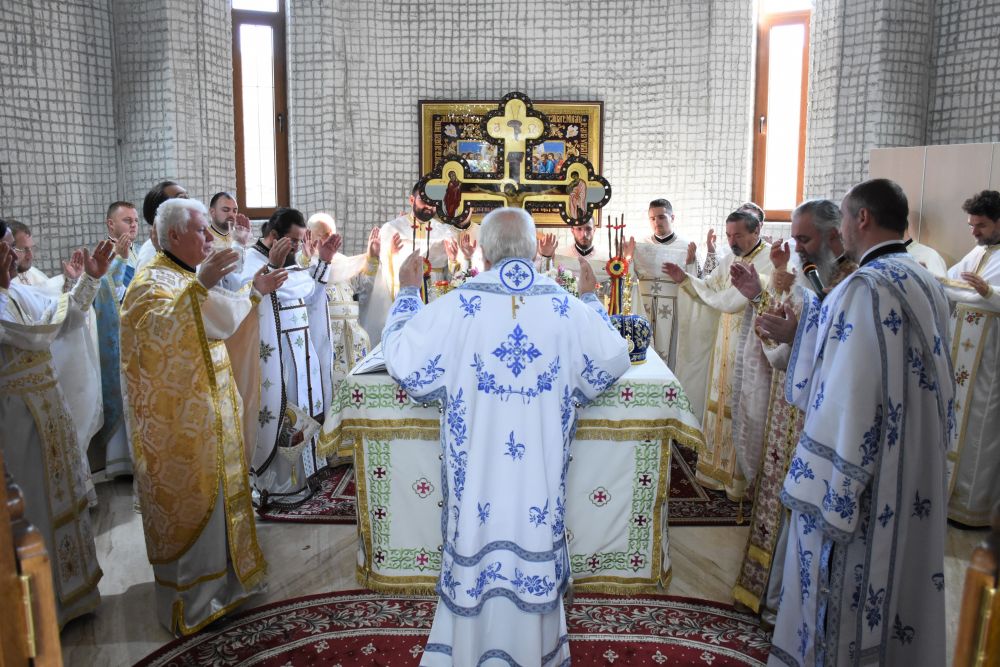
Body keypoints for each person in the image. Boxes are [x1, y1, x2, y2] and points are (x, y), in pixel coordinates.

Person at [383, 207, 630, 666]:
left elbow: (402, 358)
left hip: (478, 492)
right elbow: (613, 357)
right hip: (535, 490)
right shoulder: (561, 305)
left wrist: (409, 292)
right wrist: (593, 299)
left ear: (482, 249)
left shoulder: (458, 306)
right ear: (536, 249)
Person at [768, 179, 954, 666]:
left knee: (851, 591)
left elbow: (842, 393)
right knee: (901, 587)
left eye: (845, 220)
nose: (841, 234)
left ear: (862, 219)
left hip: (866, 483)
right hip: (911, 462)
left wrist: (831, 489)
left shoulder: (864, 288)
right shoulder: (924, 280)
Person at [120, 198, 285, 635]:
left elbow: (220, 321)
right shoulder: (148, 282)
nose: (209, 239)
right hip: (180, 423)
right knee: (197, 500)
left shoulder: (183, 275)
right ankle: (195, 597)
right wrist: (201, 286)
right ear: (174, 235)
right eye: (200, 231)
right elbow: (160, 337)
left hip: (213, 409)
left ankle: (228, 585)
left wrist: (254, 291)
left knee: (223, 497)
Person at [727, 199, 856, 620]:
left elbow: (845, 354)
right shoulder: (812, 276)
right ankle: (770, 593)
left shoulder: (852, 283)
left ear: (835, 235)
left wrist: (793, 332)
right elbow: (784, 345)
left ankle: (791, 604)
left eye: (804, 238)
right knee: (776, 493)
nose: (797, 247)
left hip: (818, 419)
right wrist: (759, 299)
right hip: (788, 409)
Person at [0, 219, 112, 627]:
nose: (13, 256)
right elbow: (35, 333)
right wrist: (71, 292)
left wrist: (89, 282)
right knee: (34, 506)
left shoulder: (17, 291)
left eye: (13, 248)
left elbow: (65, 318)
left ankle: (74, 593)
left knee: (61, 496)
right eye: (6, 247)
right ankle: (43, 606)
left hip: (48, 407)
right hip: (15, 421)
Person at [663, 210, 771, 499]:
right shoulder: (729, 259)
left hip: (750, 346)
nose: (732, 241)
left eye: (738, 235)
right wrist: (684, 279)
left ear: (756, 230)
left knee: (742, 407)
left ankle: (740, 479)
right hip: (723, 344)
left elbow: (762, 300)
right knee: (718, 405)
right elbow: (710, 289)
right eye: (729, 235)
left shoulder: (768, 260)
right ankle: (713, 472)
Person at [243, 207, 340, 508]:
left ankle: (305, 476)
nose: (298, 248)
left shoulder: (290, 264)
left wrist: (322, 261)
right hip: (276, 358)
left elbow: (309, 293)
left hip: (301, 352)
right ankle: (278, 484)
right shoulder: (250, 263)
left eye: (300, 242)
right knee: (283, 412)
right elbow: (250, 302)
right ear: (273, 237)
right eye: (294, 241)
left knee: (304, 409)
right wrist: (271, 267)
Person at [940, 189, 1000, 527]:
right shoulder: (978, 251)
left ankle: (974, 508)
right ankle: (950, 499)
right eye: (971, 225)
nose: (974, 232)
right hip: (960, 351)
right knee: (956, 424)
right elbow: (951, 282)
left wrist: (988, 293)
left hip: (990, 360)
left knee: (981, 427)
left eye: (981, 225)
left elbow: (981, 294)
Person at [361, 183, 465, 346]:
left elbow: (453, 273)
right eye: (424, 202)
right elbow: (384, 269)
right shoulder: (393, 228)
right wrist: (392, 255)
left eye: (433, 204)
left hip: (435, 294)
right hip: (405, 290)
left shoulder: (446, 231)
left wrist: (453, 260)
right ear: (411, 200)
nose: (429, 208)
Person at [89, 200, 140, 480]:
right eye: (126, 221)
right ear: (111, 224)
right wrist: (119, 260)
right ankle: (123, 462)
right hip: (119, 337)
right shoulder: (104, 253)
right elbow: (105, 294)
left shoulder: (141, 251)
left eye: (134, 220)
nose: (133, 225)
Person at [305, 211, 384, 386]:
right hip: (327, 339)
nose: (330, 239)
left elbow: (364, 288)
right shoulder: (305, 265)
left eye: (331, 234)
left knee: (357, 389)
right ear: (309, 236)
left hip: (354, 339)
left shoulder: (344, 263)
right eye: (323, 235)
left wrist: (372, 257)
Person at [632, 198, 700, 370]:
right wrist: (627, 257)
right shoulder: (640, 245)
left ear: (672, 218)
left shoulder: (685, 246)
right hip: (644, 306)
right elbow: (630, 278)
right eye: (652, 218)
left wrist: (691, 262)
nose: (657, 222)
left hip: (672, 308)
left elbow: (696, 284)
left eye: (661, 217)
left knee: (670, 350)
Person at [135, 180, 188, 271]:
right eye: (182, 199)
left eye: (188, 198)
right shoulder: (150, 254)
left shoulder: (190, 243)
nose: (191, 204)